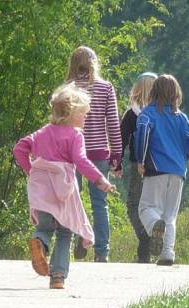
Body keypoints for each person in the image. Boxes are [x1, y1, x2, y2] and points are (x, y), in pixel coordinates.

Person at [14, 83, 117, 289]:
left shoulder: (42, 132)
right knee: (65, 231)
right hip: (63, 191)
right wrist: (100, 179)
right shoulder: (75, 134)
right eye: (84, 114)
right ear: (71, 112)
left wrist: (32, 170)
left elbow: (19, 149)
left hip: (41, 190)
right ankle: (58, 276)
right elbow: (81, 160)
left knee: (44, 228)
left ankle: (39, 243)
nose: (86, 119)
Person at [135, 74, 189, 266]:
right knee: (170, 214)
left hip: (156, 168)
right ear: (176, 94)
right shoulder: (182, 117)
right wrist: (182, 158)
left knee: (146, 207)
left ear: (154, 92)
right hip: (178, 170)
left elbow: (143, 136)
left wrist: (140, 160)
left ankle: (154, 225)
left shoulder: (147, 115)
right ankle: (167, 253)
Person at [66, 46, 122, 262]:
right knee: (100, 202)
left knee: (73, 199)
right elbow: (113, 124)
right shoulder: (105, 87)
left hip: (71, 152)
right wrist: (117, 156)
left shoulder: (68, 89)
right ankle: (102, 252)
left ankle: (76, 238)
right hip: (99, 152)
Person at [120, 72, 158, 263]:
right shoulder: (162, 113)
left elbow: (121, 141)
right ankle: (151, 239)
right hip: (161, 166)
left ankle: (145, 238)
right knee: (154, 206)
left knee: (134, 205)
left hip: (138, 165)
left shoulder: (131, 114)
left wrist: (116, 163)